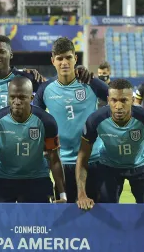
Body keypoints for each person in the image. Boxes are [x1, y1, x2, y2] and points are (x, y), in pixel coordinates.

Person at [76, 79, 144, 213]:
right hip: (109, 168)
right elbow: (82, 156)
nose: (118, 106)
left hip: (142, 167)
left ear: (132, 100)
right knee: (106, 212)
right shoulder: (95, 120)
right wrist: (81, 195)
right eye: (114, 100)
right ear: (108, 100)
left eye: (124, 100)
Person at [33, 37, 109, 203]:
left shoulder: (91, 83)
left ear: (75, 58)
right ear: (53, 61)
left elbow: (117, 100)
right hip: (63, 163)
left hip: (94, 159)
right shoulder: (45, 89)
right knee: (67, 215)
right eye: (60, 58)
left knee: (100, 212)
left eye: (68, 57)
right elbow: (33, 119)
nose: (64, 62)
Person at [0, 77, 66, 203]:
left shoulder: (46, 121)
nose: (16, 101)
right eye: (12, 97)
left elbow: (54, 158)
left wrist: (63, 194)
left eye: (22, 97)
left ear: (31, 98)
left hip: (37, 178)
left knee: (38, 222)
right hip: (4, 178)